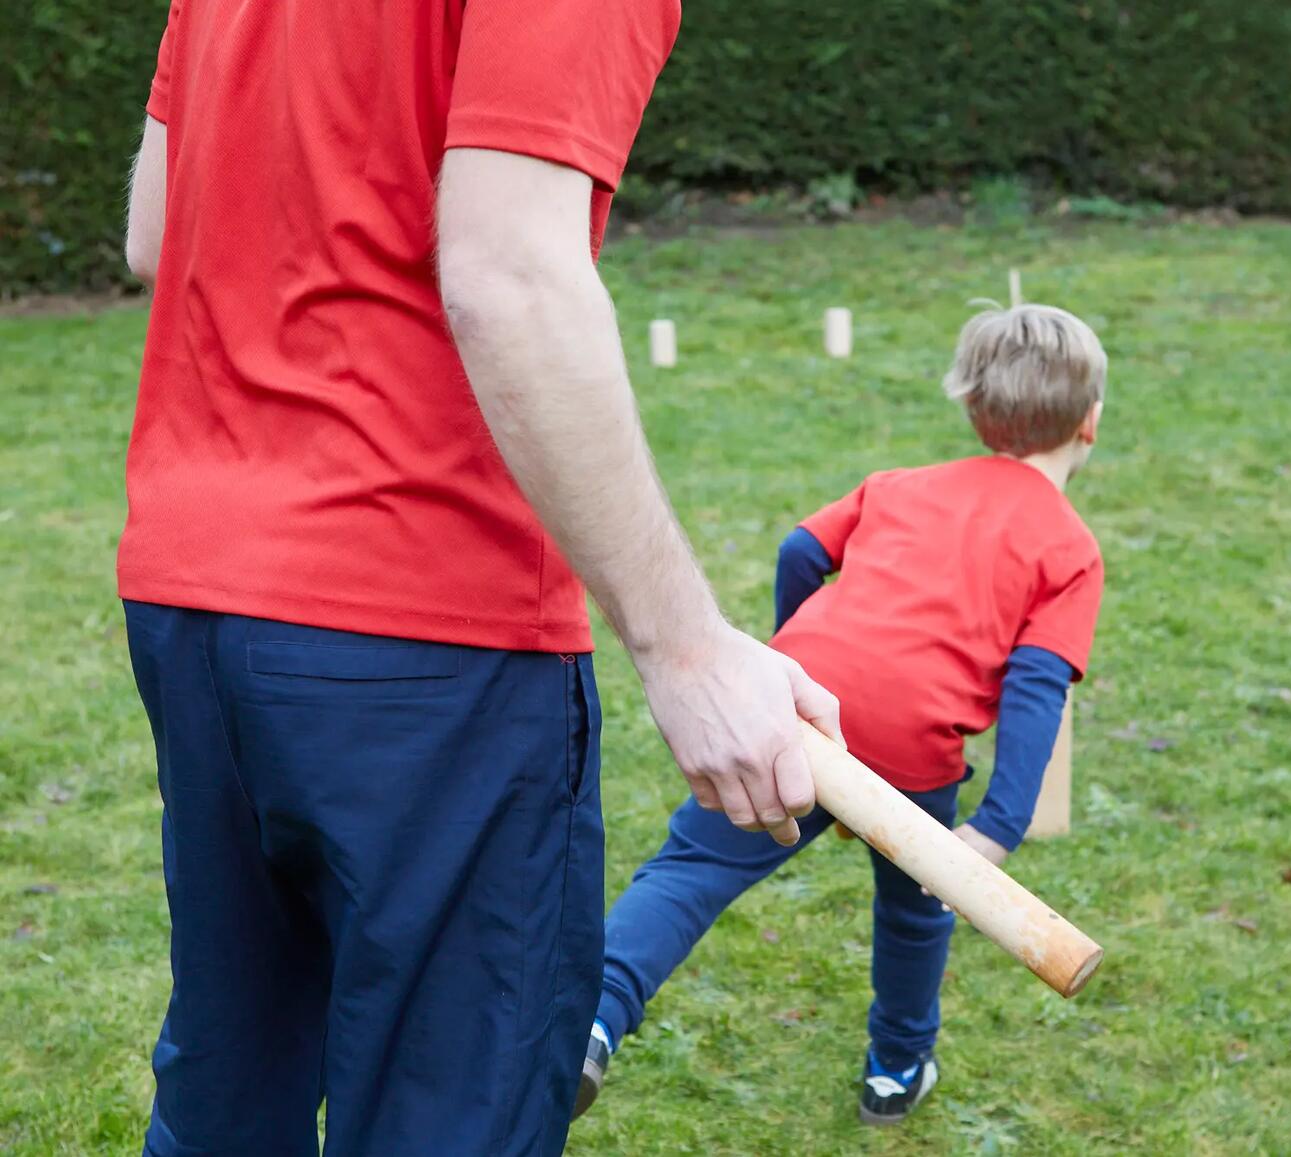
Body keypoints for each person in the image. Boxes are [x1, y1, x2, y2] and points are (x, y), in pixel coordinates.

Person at [119, 1, 840, 1153]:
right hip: (425, 622)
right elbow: (508, 272)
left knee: (225, 1092)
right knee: (445, 1114)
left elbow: (156, 234)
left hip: (193, 592)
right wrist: (685, 644)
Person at [575, 305, 1109, 1125]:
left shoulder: (897, 485)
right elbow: (1037, 687)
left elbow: (800, 551)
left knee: (690, 871)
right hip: (915, 746)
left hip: (799, 718)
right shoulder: (1069, 547)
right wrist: (995, 829)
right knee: (914, 908)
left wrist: (786, 661)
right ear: (1091, 422)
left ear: (972, 408)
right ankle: (895, 1070)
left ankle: (594, 1018)